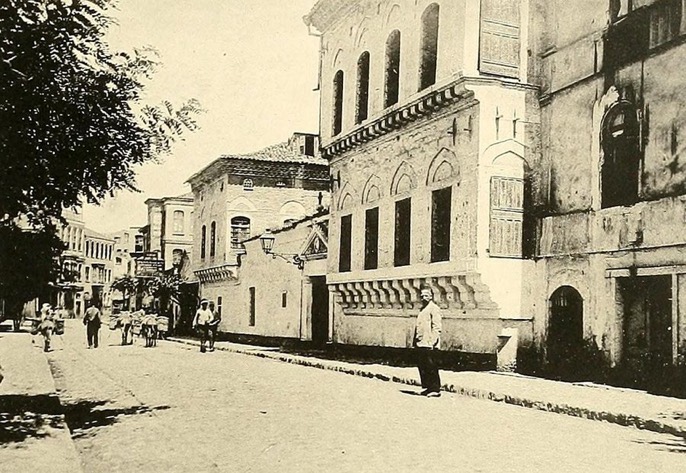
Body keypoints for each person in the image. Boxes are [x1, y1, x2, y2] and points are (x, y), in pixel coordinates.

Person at [413, 285, 442, 397]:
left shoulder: (434, 308)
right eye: (422, 295)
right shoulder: (422, 309)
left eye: (426, 295)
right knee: (423, 366)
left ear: (431, 296)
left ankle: (435, 389)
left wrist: (432, 341)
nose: (423, 297)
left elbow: (437, 327)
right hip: (421, 342)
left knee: (431, 366)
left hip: (429, 343)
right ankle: (428, 387)